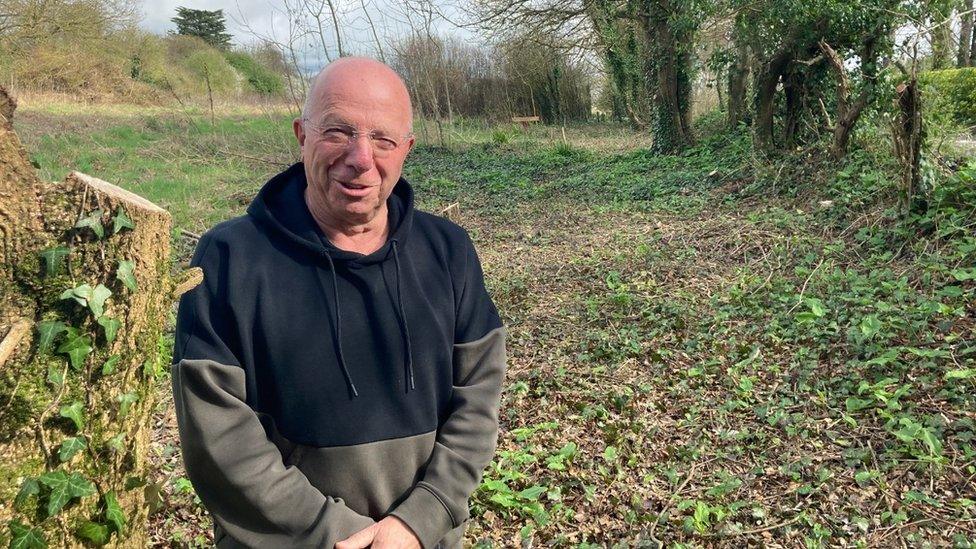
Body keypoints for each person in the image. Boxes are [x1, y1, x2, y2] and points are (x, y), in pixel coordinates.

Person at [171, 57, 507, 549]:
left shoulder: (448, 250)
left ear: (407, 150)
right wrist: (333, 533)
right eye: (338, 131)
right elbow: (218, 434)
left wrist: (422, 518)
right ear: (301, 135)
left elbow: (478, 398)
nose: (361, 157)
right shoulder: (229, 259)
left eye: (384, 139)